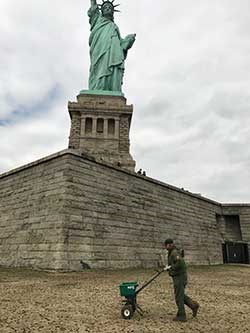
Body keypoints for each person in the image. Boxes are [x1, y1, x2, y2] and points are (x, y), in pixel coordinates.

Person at [88, 0, 136, 92]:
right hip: (99, 49)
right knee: (99, 67)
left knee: (113, 68)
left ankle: (111, 88)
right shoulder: (97, 19)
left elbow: (120, 43)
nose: (107, 8)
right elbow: (93, 6)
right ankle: (98, 88)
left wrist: (128, 41)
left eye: (110, 8)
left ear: (113, 12)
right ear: (101, 10)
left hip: (113, 53)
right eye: (105, 7)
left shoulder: (114, 26)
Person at [164, 238, 199, 322]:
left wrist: (171, 267)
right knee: (180, 295)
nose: (165, 247)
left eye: (166, 246)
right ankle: (193, 305)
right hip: (178, 276)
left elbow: (180, 263)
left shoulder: (174, 252)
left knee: (178, 297)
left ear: (169, 245)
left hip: (179, 277)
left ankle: (182, 315)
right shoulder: (172, 252)